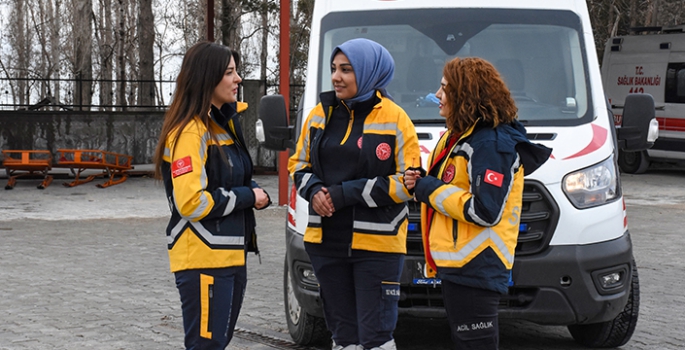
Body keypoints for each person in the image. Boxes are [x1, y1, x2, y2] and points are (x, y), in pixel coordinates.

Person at [404, 57, 551, 350]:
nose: (437, 94)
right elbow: (453, 185)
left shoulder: (490, 144)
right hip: (462, 266)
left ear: (464, 95)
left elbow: (485, 211)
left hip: (476, 266)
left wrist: (428, 188)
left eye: (445, 88)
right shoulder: (463, 137)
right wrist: (423, 181)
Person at [288, 38, 421, 350]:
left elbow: (408, 182)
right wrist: (315, 191)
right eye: (334, 69)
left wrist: (344, 194)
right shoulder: (319, 115)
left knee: (376, 337)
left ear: (369, 72)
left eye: (346, 70)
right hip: (326, 243)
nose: (336, 77)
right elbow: (299, 164)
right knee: (343, 337)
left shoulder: (397, 119)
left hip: (378, 247)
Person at [152, 41, 271, 350]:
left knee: (217, 343)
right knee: (206, 346)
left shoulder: (223, 124)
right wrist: (248, 196)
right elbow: (191, 202)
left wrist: (252, 188)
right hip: (203, 257)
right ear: (208, 78)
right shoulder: (191, 131)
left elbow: (228, 176)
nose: (238, 79)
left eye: (237, 71)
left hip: (229, 254)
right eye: (230, 72)